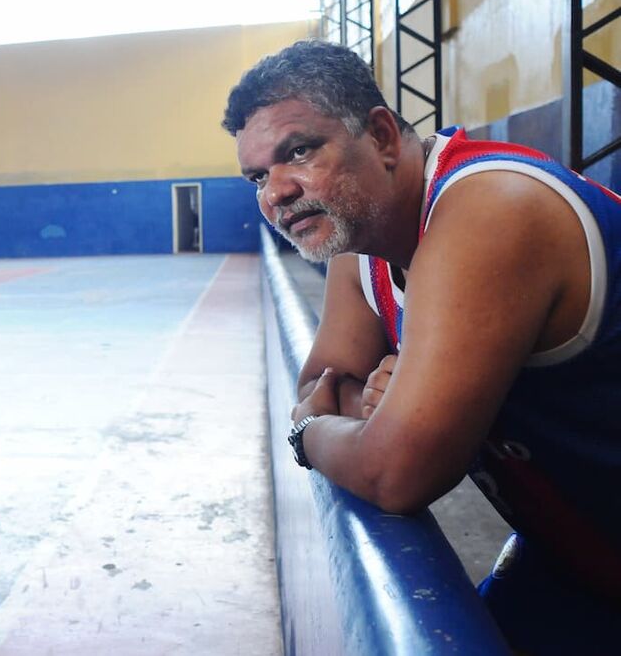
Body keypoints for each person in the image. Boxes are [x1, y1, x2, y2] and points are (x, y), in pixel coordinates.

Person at [222, 40, 621, 652]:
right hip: (577, 558)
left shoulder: (490, 208)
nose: (276, 191)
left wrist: (310, 434)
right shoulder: (359, 245)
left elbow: (396, 470)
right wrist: (370, 408)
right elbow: (322, 382)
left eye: (298, 152)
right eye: (258, 176)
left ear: (381, 136)